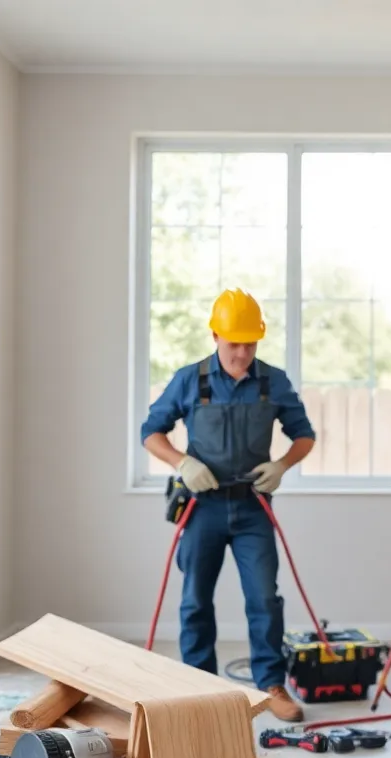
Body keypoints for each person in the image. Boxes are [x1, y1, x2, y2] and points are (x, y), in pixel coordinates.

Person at [141, 287, 316, 723]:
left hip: (253, 508)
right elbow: (150, 431)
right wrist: (181, 462)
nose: (242, 352)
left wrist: (281, 465)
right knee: (195, 600)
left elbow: (304, 435)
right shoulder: (190, 380)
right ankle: (199, 689)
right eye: (234, 342)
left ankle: (271, 685)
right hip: (203, 509)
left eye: (250, 343)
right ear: (215, 335)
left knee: (264, 599)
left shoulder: (272, 381)